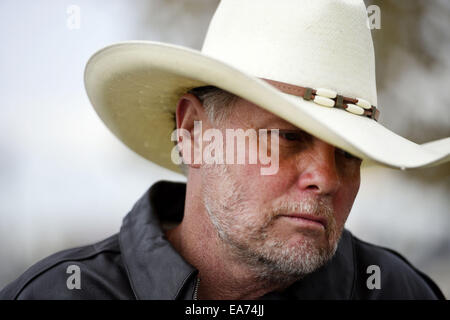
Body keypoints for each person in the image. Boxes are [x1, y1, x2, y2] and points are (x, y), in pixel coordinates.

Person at [1, 0, 448, 300]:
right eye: (287, 137)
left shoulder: (398, 291)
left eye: (349, 152)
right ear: (193, 131)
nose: (327, 178)